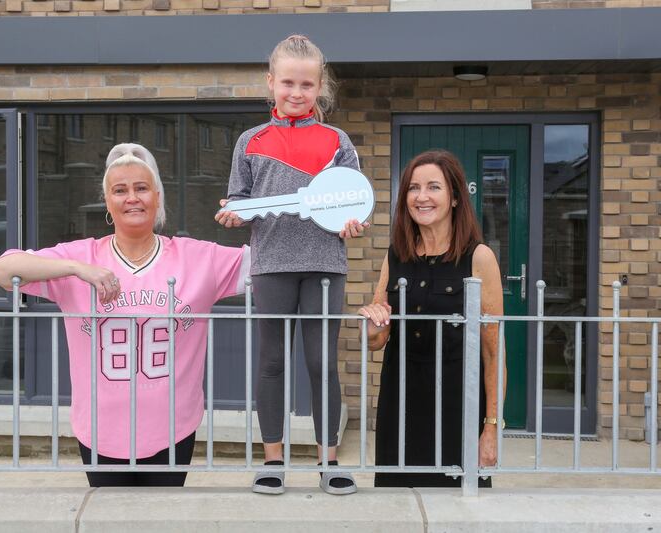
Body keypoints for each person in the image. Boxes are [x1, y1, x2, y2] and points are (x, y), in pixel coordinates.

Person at [0, 143, 250, 487]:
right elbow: (1, 270)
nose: (132, 198)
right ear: (108, 203)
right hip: (100, 428)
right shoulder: (79, 256)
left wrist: (312, 218)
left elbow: (270, 265)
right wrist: (76, 268)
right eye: (120, 190)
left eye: (141, 188)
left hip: (171, 425)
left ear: (157, 197)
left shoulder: (196, 257)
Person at [215, 34, 367, 496]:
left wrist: (350, 223)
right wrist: (233, 212)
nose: (296, 92)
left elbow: (352, 202)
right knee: (272, 362)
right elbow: (238, 200)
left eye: (306, 84)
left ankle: (330, 462)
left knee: (322, 363)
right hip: (271, 264)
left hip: (325, 264)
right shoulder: (250, 141)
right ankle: (273, 462)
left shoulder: (337, 142)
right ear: (271, 83)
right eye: (287, 83)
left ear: (320, 86)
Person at [357, 149, 506, 488]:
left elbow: (494, 352)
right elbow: (377, 342)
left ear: (454, 197)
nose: (421, 197)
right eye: (413, 188)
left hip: (458, 404)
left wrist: (491, 426)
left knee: (459, 511)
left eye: (433, 187)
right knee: (396, 506)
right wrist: (373, 327)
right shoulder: (396, 255)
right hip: (401, 403)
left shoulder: (478, 257)